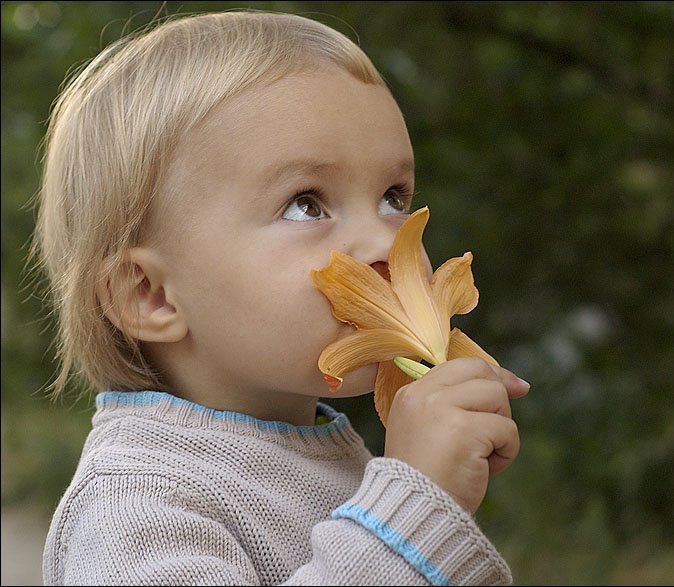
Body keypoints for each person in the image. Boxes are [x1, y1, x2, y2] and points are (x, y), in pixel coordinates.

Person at [33, 9, 530, 586]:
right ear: (152, 296)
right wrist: (412, 516)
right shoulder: (136, 506)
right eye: (306, 204)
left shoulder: (325, 459)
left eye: (394, 197)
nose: (385, 242)